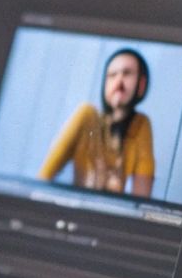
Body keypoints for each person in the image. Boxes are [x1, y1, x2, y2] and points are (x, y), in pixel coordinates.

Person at [37, 48, 155, 197]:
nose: (119, 81)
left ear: (142, 84)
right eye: (112, 75)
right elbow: (45, 175)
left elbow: (141, 200)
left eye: (127, 73)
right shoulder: (87, 115)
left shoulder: (140, 125)